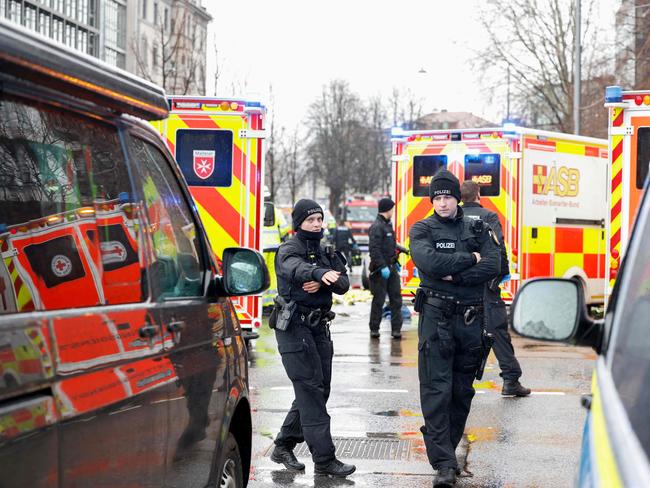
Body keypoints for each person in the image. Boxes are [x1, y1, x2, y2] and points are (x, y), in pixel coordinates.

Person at [410, 170, 501, 488]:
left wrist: (460, 274)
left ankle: (444, 451)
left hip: (471, 320)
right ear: (431, 200)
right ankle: (444, 464)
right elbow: (429, 264)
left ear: (457, 198)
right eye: (437, 198)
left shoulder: (478, 226)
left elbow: (495, 264)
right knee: (437, 392)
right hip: (436, 320)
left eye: (447, 196)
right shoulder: (422, 228)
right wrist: (470, 258)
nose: (442, 202)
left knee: (461, 392)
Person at [269, 198, 356, 478]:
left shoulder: (325, 249)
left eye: (319, 219)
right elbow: (294, 269)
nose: (317, 224)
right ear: (299, 223)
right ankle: (324, 460)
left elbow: (343, 283)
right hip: (294, 329)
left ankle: (283, 445)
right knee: (311, 392)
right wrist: (320, 273)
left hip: (318, 329)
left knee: (319, 390)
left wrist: (324, 280)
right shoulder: (288, 250)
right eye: (310, 220)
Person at [460, 180, 531, 397]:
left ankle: (461, 383)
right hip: (486, 284)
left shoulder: (455, 217)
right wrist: (502, 274)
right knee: (497, 331)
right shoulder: (488, 216)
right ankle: (510, 380)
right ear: (478, 194)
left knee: (461, 332)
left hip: (462, 284)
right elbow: (498, 246)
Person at [368, 197, 403, 339]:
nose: (393, 212)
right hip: (380, 270)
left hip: (391, 267)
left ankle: (396, 330)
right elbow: (374, 250)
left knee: (396, 299)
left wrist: (400, 250)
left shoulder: (387, 225)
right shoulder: (377, 227)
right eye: (392, 209)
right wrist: (382, 267)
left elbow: (389, 244)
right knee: (379, 300)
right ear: (387, 210)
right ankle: (374, 329)